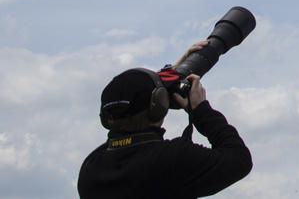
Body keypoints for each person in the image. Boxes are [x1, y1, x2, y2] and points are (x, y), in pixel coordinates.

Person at [78, 40, 253, 198]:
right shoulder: (174, 159)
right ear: (158, 106)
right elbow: (239, 160)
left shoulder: (91, 171)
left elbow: (120, 138)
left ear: (106, 118)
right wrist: (202, 111)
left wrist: (166, 78)